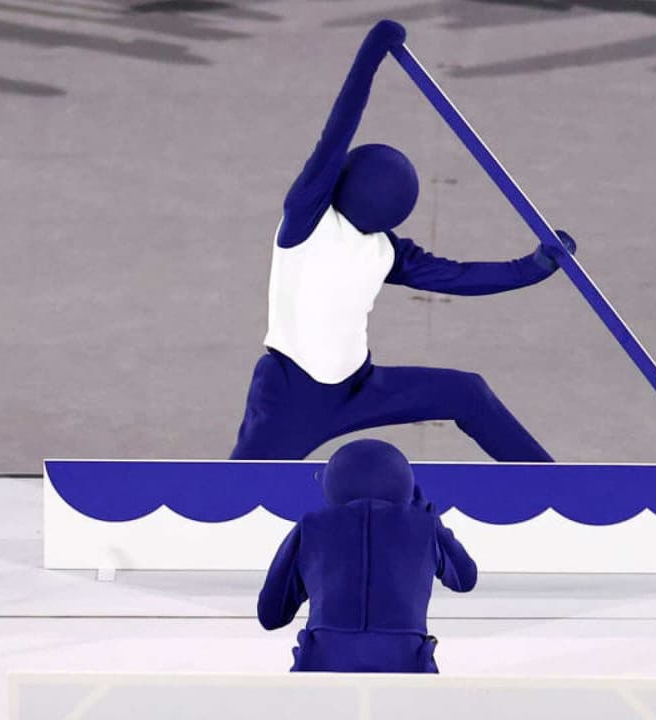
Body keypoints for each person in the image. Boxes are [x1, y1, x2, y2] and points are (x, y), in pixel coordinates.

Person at [228, 19, 577, 462]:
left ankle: (550, 481)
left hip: (360, 388)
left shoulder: (383, 248)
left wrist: (534, 266)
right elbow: (337, 132)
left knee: (466, 392)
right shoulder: (308, 222)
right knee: (239, 487)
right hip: (291, 397)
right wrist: (370, 56)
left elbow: (456, 277)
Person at [257, 438, 476, 672]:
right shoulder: (425, 526)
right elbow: (465, 579)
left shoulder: (311, 527)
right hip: (407, 664)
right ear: (405, 482)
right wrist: (433, 520)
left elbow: (272, 614)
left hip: (322, 662)